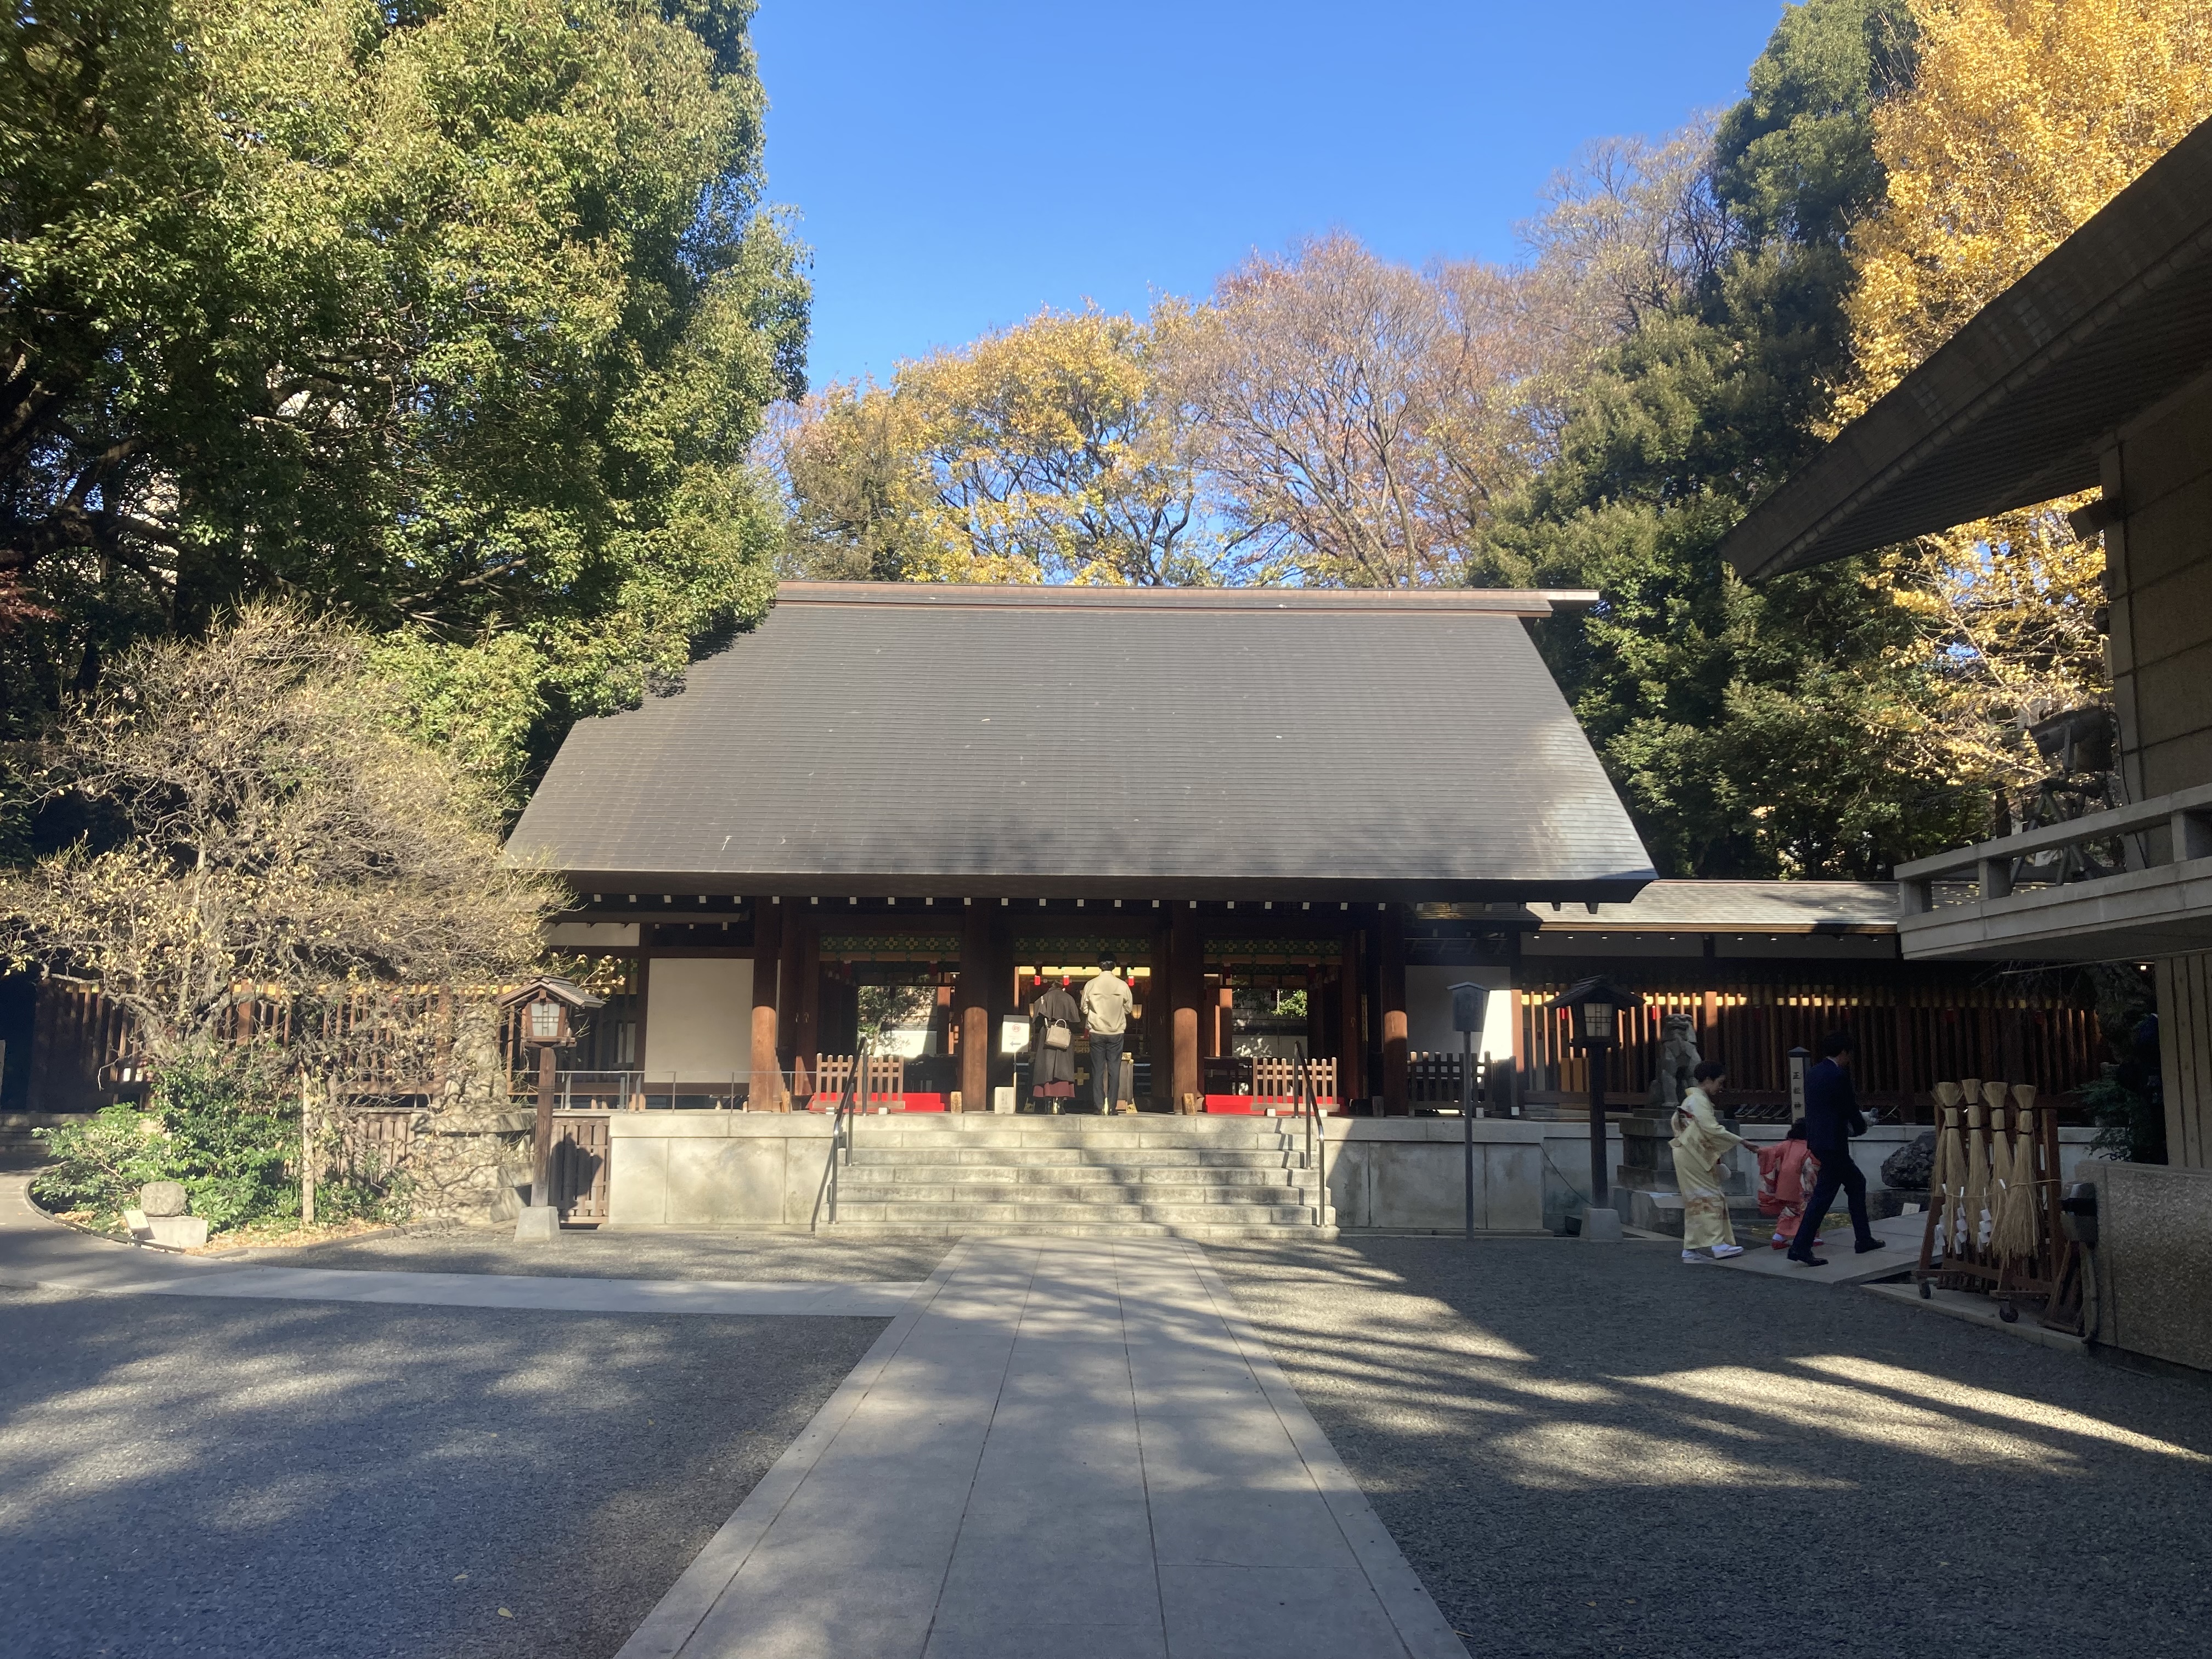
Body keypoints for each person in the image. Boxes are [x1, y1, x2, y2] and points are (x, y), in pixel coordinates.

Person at [1788, 1030, 1881, 1266]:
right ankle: (1802, 1247)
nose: (1850, 1058)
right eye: (1849, 1053)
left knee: (1854, 1184)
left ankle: (1863, 1238)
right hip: (1834, 1143)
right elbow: (1847, 1107)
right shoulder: (1838, 1075)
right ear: (1844, 1052)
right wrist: (1861, 1126)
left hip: (1819, 1140)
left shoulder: (1814, 1073)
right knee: (1825, 1196)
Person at [1671, 1059, 1745, 1262]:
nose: (1720, 1087)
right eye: (1719, 1082)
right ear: (1708, 1080)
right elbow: (1711, 1129)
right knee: (1710, 1197)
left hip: (1690, 1153)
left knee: (1698, 1200)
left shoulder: (1696, 1100)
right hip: (1692, 1154)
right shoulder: (1698, 1101)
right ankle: (1718, 1244)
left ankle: (1692, 1249)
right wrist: (1742, 1141)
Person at [1756, 1120, 1823, 1251]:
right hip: (1804, 1185)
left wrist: (1756, 1149)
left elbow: (1769, 1152)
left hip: (1786, 1185)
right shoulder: (1812, 1146)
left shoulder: (1787, 1145)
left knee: (1789, 1211)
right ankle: (1811, 1237)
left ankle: (1778, 1237)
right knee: (1809, 1210)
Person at [1081, 953, 1135, 1115]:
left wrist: (1094, 1014)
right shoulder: (1122, 985)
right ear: (1115, 966)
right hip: (1116, 1031)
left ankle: (1099, 1106)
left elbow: (1084, 1008)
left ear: (1099, 966)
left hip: (1097, 1031)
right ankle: (1112, 1107)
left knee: (1097, 1070)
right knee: (1114, 1069)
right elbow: (1129, 1008)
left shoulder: (1091, 985)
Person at [1028, 974, 1081, 1113]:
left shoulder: (1044, 998)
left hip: (1048, 1033)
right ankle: (1060, 1104)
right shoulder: (1069, 998)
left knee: (1046, 1067)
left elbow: (1036, 1019)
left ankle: (1047, 1103)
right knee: (1063, 1068)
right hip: (1064, 1033)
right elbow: (1076, 1021)